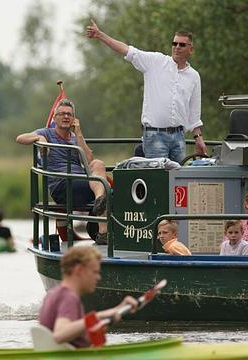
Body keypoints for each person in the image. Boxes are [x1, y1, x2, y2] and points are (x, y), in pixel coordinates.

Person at [86, 20, 207, 164]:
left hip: (179, 137)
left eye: (182, 44)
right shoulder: (155, 61)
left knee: (177, 182)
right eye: (174, 43)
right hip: (154, 135)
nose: (177, 47)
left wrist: (198, 138)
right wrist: (100, 35)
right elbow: (127, 50)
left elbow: (194, 113)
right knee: (157, 181)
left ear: (190, 49)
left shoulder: (194, 76)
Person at [16, 98, 110, 244]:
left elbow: (89, 160)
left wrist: (78, 133)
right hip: (62, 184)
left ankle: (100, 207)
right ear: (55, 118)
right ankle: (102, 214)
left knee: (98, 164)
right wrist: (39, 138)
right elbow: (20, 138)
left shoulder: (75, 138)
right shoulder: (46, 133)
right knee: (106, 188)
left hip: (83, 182)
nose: (66, 117)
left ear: (74, 118)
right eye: (62, 114)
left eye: (69, 114)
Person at [38, 246, 138, 348]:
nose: (98, 277)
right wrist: (98, 316)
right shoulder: (69, 297)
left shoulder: (52, 294)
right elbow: (60, 334)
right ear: (79, 270)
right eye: (95, 272)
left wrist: (118, 309)